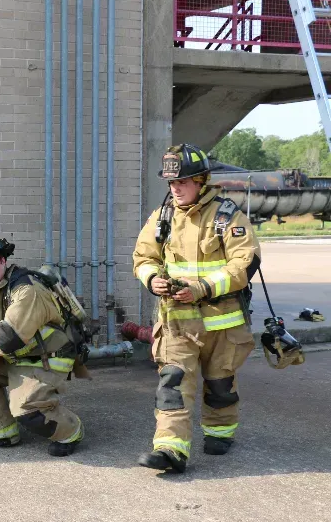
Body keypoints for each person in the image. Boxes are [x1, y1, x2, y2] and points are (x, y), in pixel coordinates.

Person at [133, 143, 261, 473]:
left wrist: (202, 288)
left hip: (222, 323)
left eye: (183, 182)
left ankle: (220, 432)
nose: (176, 189)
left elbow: (246, 262)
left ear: (201, 181)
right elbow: (143, 258)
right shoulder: (162, 217)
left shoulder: (228, 216)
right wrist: (152, 281)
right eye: (172, 183)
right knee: (173, 384)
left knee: (220, 385)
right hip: (177, 323)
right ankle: (170, 449)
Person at [0, 232, 86, 456]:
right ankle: (1, 433)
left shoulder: (26, 288)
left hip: (48, 357)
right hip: (18, 357)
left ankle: (71, 430)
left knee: (28, 413)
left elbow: (9, 336)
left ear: (3, 261)